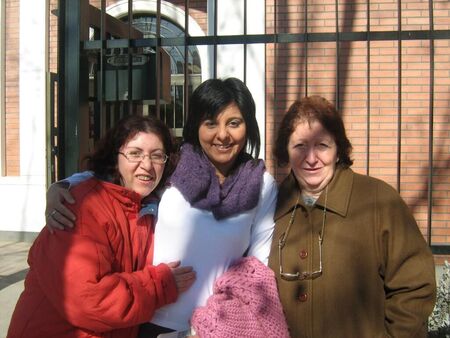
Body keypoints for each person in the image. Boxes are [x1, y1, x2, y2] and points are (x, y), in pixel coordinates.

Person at [44, 77, 278, 337]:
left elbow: (257, 267)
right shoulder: (175, 167)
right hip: (151, 320)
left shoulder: (262, 184)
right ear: (196, 126)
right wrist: (62, 186)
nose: (222, 135)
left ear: (248, 126)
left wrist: (223, 315)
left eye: (234, 123)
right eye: (210, 123)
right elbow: (117, 177)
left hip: (218, 326)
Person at [7, 115, 196, 338]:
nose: (147, 165)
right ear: (115, 156)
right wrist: (161, 285)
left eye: (157, 156)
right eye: (134, 153)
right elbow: (89, 300)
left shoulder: (148, 208)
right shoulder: (81, 206)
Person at [267, 96, 436, 337]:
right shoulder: (271, 206)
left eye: (322, 146)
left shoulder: (379, 200)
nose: (311, 158)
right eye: (300, 146)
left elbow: (414, 288)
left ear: (338, 150)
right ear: (286, 151)